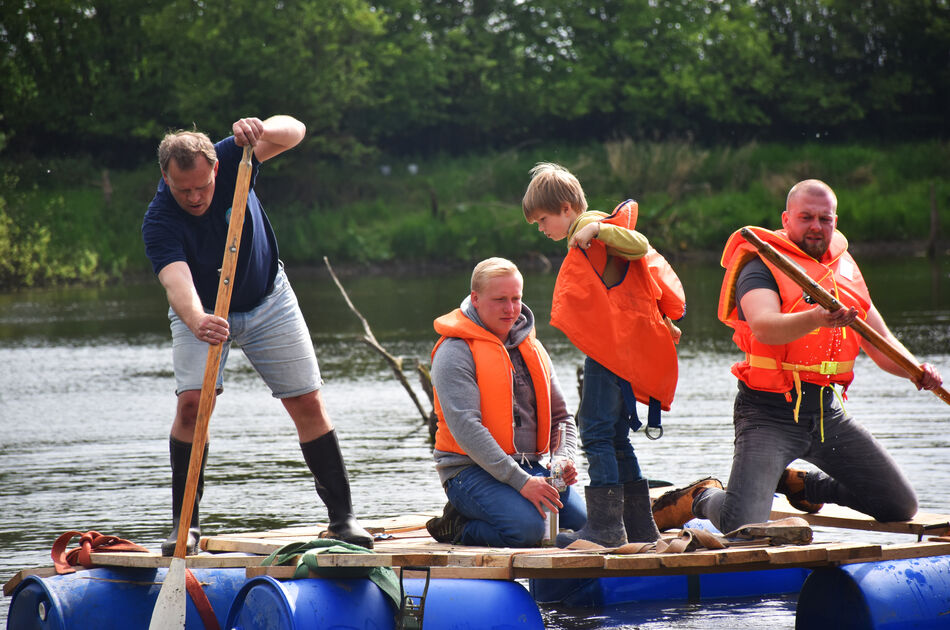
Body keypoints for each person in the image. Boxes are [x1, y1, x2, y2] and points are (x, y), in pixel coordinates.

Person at [652, 179, 944, 534]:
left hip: (826, 415)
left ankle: (805, 486)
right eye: (806, 217)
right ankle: (701, 497)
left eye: (826, 218)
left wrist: (917, 370)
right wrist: (817, 317)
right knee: (740, 526)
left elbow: (880, 340)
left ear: (835, 221)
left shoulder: (844, 268)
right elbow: (764, 326)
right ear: (786, 219)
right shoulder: (760, 264)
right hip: (768, 412)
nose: (817, 227)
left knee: (899, 505)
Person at [142, 115, 373, 555]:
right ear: (166, 178)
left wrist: (261, 128)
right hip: (204, 312)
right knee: (193, 405)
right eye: (182, 189)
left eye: (202, 187)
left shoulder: (234, 155)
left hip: (269, 299)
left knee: (306, 400)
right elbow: (177, 283)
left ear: (214, 169)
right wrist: (196, 319)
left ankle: (343, 520)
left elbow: (296, 131)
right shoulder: (159, 220)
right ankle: (184, 525)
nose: (194, 197)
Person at [521, 163, 686, 547]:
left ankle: (607, 527)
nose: (542, 229)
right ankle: (640, 527)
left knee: (594, 432)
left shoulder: (592, 231)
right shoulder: (586, 238)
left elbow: (640, 246)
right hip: (621, 351)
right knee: (614, 437)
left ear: (566, 208)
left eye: (544, 220)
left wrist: (596, 229)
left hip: (611, 354)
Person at [426, 257, 587, 547]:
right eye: (500, 300)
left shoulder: (533, 348)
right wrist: (522, 482)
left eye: (516, 298)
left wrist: (564, 458)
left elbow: (562, 417)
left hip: (530, 466)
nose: (511, 309)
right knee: (530, 531)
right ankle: (458, 525)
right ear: (475, 299)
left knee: (583, 524)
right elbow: (467, 428)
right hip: (468, 472)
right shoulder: (454, 351)